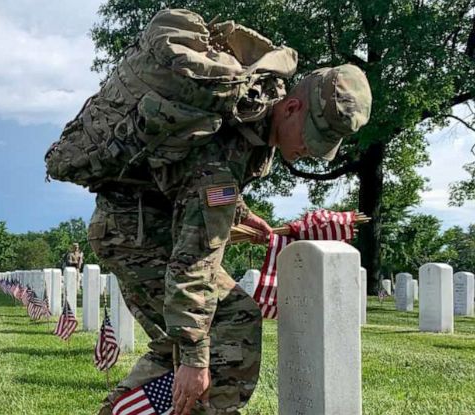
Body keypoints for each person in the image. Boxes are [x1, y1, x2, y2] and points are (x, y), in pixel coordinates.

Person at [87, 11, 373, 415]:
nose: (310, 149)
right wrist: (193, 359)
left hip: (141, 225)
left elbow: (189, 180)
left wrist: (240, 211)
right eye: (313, 135)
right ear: (291, 107)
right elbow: (193, 263)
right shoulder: (227, 156)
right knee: (217, 328)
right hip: (134, 234)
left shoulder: (249, 128)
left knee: (225, 321)